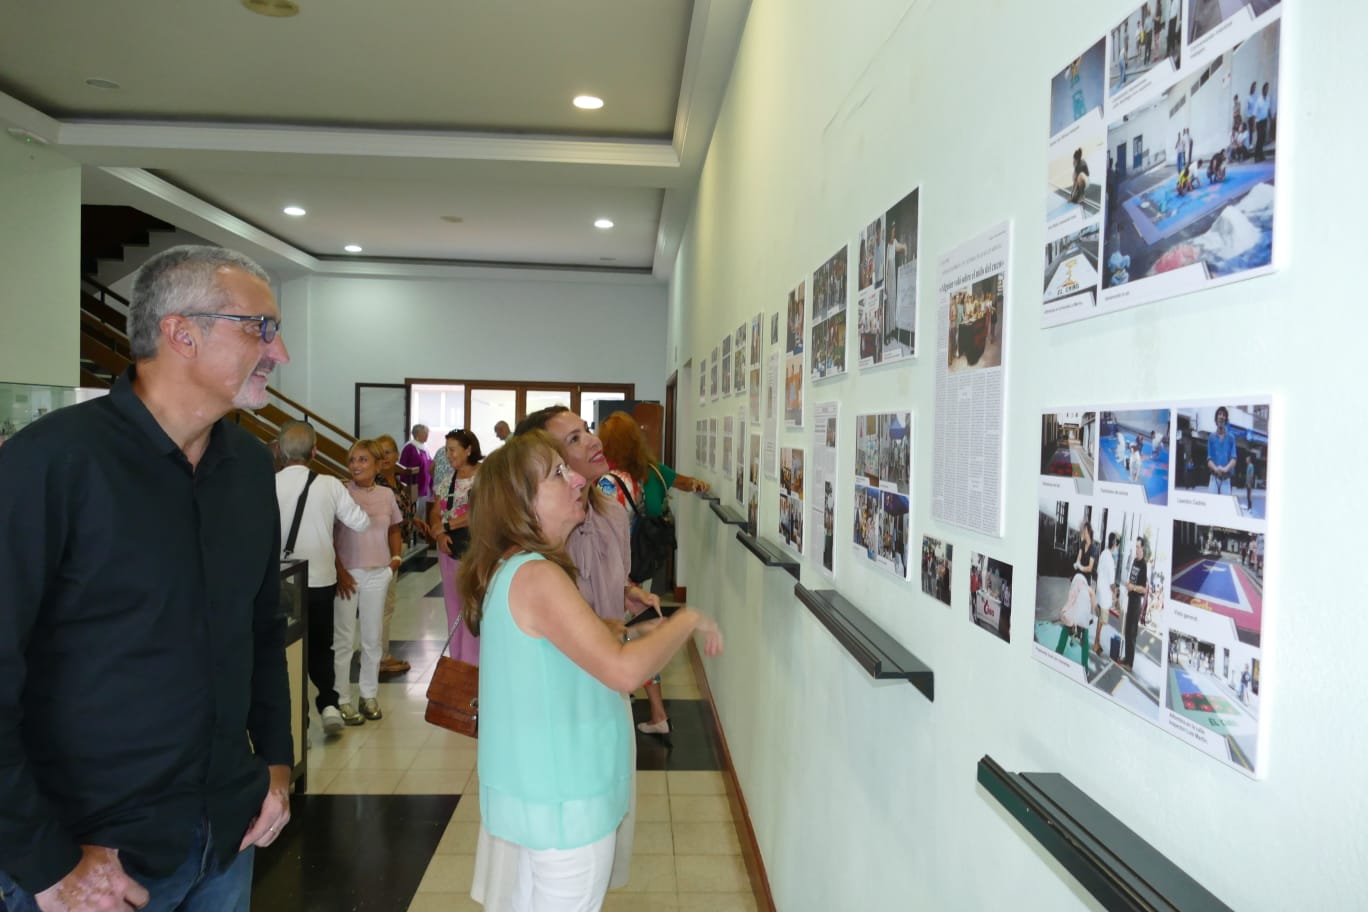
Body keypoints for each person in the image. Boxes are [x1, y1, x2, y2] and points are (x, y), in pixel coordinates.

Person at [0, 245, 292, 910]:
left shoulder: (247, 468)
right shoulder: (52, 465)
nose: (280, 355)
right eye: (261, 329)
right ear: (181, 332)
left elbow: (260, 629)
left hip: (226, 842)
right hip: (93, 863)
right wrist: (45, 863)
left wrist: (276, 766)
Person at [461, 431, 722, 911]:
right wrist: (685, 620)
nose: (576, 478)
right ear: (523, 503)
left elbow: (564, 645)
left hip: (539, 794)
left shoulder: (516, 567)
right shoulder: (537, 575)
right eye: (558, 474)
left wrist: (623, 631)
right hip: (564, 802)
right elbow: (624, 674)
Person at [275, 420, 372, 734]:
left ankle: (295, 715)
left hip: (282, 580)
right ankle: (329, 704)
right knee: (320, 644)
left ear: (278, 450)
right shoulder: (329, 484)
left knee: (287, 648)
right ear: (314, 452)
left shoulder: (268, 483)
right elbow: (360, 523)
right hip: (320, 579)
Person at [334, 439, 403, 724]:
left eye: (363, 460)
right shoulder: (340, 492)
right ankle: (342, 699)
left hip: (378, 573)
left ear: (377, 464)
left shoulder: (387, 495)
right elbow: (330, 534)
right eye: (352, 460)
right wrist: (339, 571)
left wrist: (395, 561)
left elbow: (395, 528)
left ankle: (368, 694)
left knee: (372, 639)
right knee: (344, 640)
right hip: (348, 575)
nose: (356, 465)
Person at [428, 429, 484, 662]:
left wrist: (446, 526)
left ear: (468, 449)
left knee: (473, 607)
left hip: (476, 549)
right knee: (453, 605)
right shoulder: (447, 479)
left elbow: (480, 511)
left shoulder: (484, 476)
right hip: (449, 551)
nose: (448, 455)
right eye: (446, 450)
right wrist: (439, 535)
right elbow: (435, 511)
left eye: (452, 450)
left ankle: (475, 662)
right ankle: (458, 660)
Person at [375, 433, 423, 675]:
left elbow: (401, 513)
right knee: (383, 604)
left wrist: (415, 520)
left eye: (388, 452)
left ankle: (379, 653)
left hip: (398, 546)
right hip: (381, 548)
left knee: (387, 603)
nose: (384, 458)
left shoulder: (399, 484)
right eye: (380, 453)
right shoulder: (374, 485)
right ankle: (379, 657)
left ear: (396, 455)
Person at [399, 424, 434, 531]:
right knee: (415, 511)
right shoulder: (409, 447)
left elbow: (430, 465)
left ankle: (421, 532)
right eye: (425, 433)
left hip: (425, 485)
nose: (427, 435)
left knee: (423, 511)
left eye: (427, 433)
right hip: (413, 485)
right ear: (417, 434)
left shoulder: (425, 448)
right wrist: (405, 486)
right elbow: (402, 466)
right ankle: (413, 532)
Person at [1122, 536, 1149, 669]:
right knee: (1127, 630)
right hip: (1130, 598)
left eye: (1138, 547)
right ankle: (1126, 658)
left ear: (1143, 548)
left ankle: (1130, 664)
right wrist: (1128, 584)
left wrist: (1133, 587)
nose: (1136, 550)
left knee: (1132, 633)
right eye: (1136, 547)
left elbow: (1143, 589)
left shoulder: (1144, 565)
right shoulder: (1134, 561)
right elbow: (1131, 579)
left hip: (1136, 602)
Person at [1094, 533, 1119, 656]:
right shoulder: (1110, 560)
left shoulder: (1103, 553)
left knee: (1099, 619)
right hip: (1104, 595)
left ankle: (1096, 641)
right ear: (1114, 544)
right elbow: (1112, 583)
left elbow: (1098, 571)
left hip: (1099, 591)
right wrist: (1116, 594)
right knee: (1101, 622)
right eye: (1117, 544)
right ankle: (1096, 644)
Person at [1206, 406, 1238, 494]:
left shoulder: (1231, 438)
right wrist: (1216, 469)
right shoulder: (1211, 437)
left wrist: (1225, 469)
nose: (1221, 417)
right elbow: (1209, 460)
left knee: (1225, 505)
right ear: (1216, 419)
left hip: (1226, 479)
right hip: (1214, 478)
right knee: (1211, 505)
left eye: (1224, 415)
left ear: (1226, 420)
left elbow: (1234, 459)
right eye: (1219, 414)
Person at [1254, 82, 1271, 162]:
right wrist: (1254, 124)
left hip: (1265, 120)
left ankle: (1261, 155)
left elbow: (1268, 109)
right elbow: (1255, 113)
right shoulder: (1259, 100)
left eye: (1268, 89)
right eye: (1266, 89)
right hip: (1259, 121)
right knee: (1259, 138)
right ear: (1263, 90)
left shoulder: (1268, 98)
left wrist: (1269, 118)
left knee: (1263, 138)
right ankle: (1256, 156)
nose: (1267, 90)